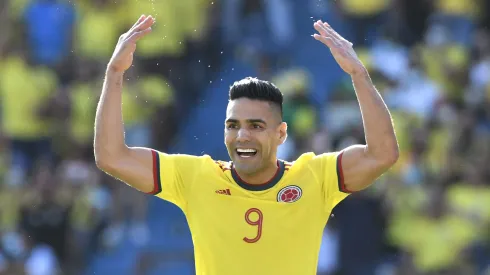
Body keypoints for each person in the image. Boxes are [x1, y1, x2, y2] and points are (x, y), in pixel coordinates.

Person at [94, 15, 399, 275]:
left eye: (256, 126)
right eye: (233, 126)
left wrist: (359, 75)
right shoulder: (197, 177)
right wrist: (115, 73)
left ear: (281, 134)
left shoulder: (315, 177)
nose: (242, 136)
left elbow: (382, 154)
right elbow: (111, 156)